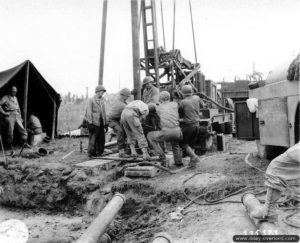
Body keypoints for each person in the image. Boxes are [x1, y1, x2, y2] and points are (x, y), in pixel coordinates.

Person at [251, 142, 300, 223]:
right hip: (275, 171)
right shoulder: (296, 150)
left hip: (279, 171)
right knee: (273, 187)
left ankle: (269, 212)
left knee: (275, 186)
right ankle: (269, 213)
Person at [148, 91, 183, 167]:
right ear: (169, 97)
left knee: (150, 136)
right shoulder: (175, 104)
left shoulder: (158, 108)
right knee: (175, 144)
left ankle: (162, 156)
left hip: (166, 132)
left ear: (160, 99)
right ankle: (179, 162)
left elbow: (153, 111)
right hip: (177, 131)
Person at [179, 85, 204, 168]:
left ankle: (194, 157)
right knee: (191, 144)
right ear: (191, 91)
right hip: (197, 124)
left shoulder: (182, 102)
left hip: (188, 126)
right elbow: (203, 106)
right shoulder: (197, 98)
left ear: (183, 93)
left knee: (183, 144)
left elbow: (181, 115)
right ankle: (192, 164)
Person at [0, 86, 28, 156]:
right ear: (10, 91)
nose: (14, 92)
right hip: (10, 114)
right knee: (10, 131)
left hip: (17, 114)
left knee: (22, 129)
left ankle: (25, 143)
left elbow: (18, 108)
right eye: (13, 91)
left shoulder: (15, 98)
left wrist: (20, 116)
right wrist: (4, 113)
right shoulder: (5, 97)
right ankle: (10, 147)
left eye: (15, 91)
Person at [85, 85, 108, 158]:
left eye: (103, 92)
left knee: (101, 139)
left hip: (100, 122)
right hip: (94, 122)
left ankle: (99, 153)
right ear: (97, 92)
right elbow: (88, 112)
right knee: (93, 138)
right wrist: (90, 123)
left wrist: (106, 123)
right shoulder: (91, 100)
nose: (103, 93)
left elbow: (104, 113)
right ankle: (91, 153)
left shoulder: (102, 101)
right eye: (102, 91)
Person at [107, 88, 131, 158]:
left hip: (117, 120)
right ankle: (121, 153)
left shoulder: (122, 101)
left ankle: (126, 149)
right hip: (111, 120)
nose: (127, 98)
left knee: (125, 131)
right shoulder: (121, 104)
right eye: (127, 96)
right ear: (123, 95)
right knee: (120, 131)